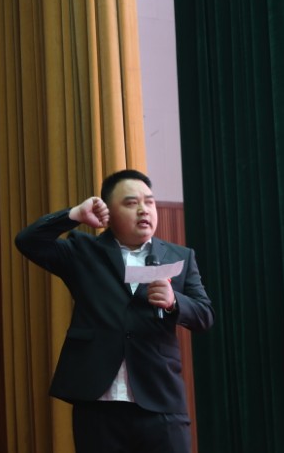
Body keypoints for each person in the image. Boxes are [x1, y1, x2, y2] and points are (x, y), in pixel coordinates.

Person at [15, 169, 214, 453]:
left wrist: (175, 302)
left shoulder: (179, 256)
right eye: (131, 203)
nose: (144, 210)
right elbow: (28, 241)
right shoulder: (83, 251)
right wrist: (74, 215)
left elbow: (205, 315)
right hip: (98, 403)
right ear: (108, 212)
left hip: (160, 402)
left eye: (149, 202)